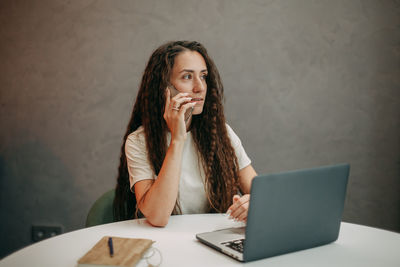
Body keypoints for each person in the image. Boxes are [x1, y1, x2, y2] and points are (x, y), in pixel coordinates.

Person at [113, 40, 257, 227]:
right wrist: (177, 139)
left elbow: (261, 194)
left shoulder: (222, 133)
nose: (200, 87)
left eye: (203, 76)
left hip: (213, 238)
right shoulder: (138, 141)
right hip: (165, 244)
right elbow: (157, 216)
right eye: (187, 77)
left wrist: (253, 203)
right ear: (164, 87)